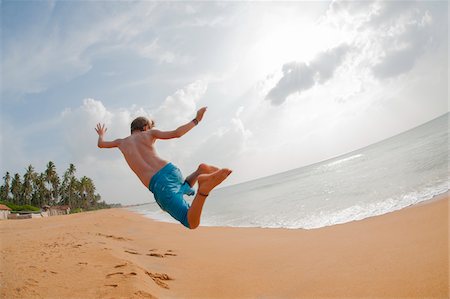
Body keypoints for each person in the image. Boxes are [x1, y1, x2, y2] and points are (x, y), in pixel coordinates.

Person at [95, 107, 232, 229]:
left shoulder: (121, 143)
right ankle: (199, 171)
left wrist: (101, 134)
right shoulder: (149, 134)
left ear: (133, 129)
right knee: (182, 186)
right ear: (145, 127)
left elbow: (101, 144)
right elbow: (177, 133)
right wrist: (196, 120)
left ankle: (203, 189)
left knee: (191, 222)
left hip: (159, 185)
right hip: (171, 170)